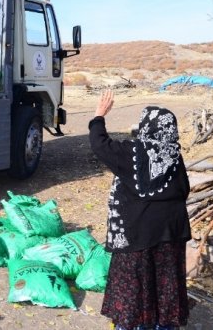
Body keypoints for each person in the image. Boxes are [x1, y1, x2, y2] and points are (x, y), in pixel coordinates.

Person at [89, 89, 191, 330]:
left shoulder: (133, 153)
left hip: (138, 233)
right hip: (171, 232)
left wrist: (99, 115)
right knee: (164, 283)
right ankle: (162, 325)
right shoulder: (174, 155)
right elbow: (184, 189)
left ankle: (136, 324)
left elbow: (100, 144)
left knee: (136, 283)